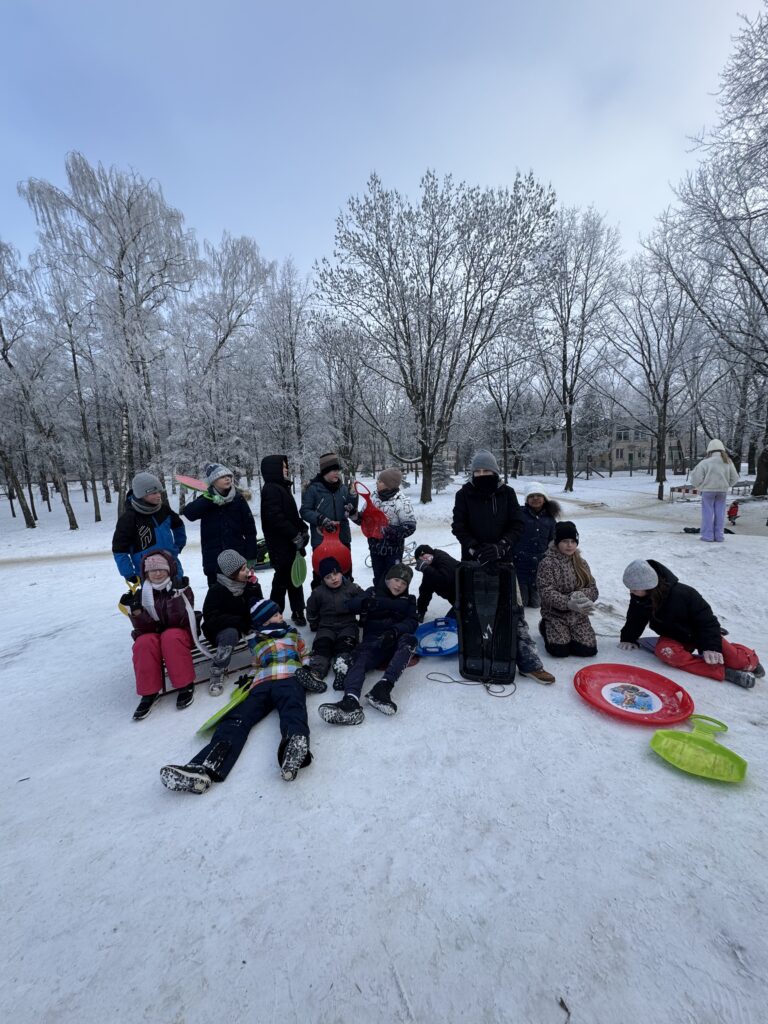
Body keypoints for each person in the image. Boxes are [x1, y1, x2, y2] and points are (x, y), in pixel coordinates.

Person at [159, 599, 312, 793]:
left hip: (290, 678)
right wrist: (248, 680)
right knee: (238, 719)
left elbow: (305, 653)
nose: (281, 616)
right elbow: (257, 665)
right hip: (262, 683)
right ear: (264, 621)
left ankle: (294, 748)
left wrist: (307, 669)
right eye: (275, 615)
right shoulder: (256, 641)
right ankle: (203, 768)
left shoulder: (292, 634)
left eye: (279, 613)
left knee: (293, 709)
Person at [618, 560, 763, 688]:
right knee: (666, 653)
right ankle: (724, 673)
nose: (631, 592)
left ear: (648, 585)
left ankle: (750, 660)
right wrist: (628, 638)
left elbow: (707, 620)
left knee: (738, 661)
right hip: (674, 636)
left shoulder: (684, 593)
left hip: (700, 634)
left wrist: (711, 646)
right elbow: (635, 619)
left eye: (634, 589)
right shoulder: (640, 599)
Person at [318, 564, 418, 725]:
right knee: (360, 660)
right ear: (387, 579)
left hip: (396, 639)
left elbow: (412, 622)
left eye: (404, 583)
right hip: (374, 641)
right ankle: (350, 701)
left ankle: (382, 689)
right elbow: (351, 605)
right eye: (396, 580)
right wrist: (365, 603)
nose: (399, 585)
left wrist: (394, 631)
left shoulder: (409, 600)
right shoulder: (372, 591)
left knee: (410, 641)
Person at [127, 550, 197, 720]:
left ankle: (185, 684)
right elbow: (143, 629)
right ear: (146, 573)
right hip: (155, 635)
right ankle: (149, 692)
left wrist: (175, 598)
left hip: (181, 633)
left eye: (161, 569)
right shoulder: (142, 594)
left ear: (169, 570)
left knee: (170, 636)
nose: (157, 573)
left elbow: (181, 620)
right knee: (143, 642)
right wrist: (137, 612)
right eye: (152, 570)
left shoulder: (181, 588)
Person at [296, 556, 364, 693]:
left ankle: (342, 671)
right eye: (328, 577)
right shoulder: (318, 593)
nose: (333, 578)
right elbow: (311, 609)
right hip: (326, 626)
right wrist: (314, 623)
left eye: (336, 573)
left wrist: (364, 618)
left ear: (341, 572)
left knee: (344, 646)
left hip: (348, 625)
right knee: (322, 646)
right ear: (323, 579)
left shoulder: (351, 588)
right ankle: (315, 674)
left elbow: (364, 602)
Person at [182, 463, 258, 584]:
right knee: (218, 598)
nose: (227, 478)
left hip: (238, 560)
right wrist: (209, 499)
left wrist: (251, 556)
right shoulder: (207, 499)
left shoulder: (238, 499)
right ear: (213, 481)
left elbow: (250, 530)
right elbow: (189, 513)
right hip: (214, 561)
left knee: (240, 597)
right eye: (222, 477)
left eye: (229, 476)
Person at [201, 549, 264, 695]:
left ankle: (266, 656)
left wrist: (254, 590)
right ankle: (218, 668)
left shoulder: (246, 585)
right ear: (231, 574)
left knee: (266, 622)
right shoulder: (217, 590)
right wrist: (238, 621)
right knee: (231, 633)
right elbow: (211, 618)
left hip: (244, 624)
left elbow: (257, 607)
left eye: (246, 567)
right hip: (221, 629)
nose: (247, 571)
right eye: (242, 569)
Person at [259, 454, 309, 626]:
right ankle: (274, 613)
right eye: (283, 467)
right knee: (282, 580)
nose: (286, 469)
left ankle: (296, 611)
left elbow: (291, 515)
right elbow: (275, 517)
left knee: (294, 578)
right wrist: (294, 534)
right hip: (281, 544)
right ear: (273, 470)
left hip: (288, 543)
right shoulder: (272, 489)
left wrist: (303, 528)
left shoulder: (281, 487)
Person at [451, 451, 524, 567]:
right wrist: (474, 548)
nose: (481, 475)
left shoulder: (507, 493)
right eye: (477, 472)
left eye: (486, 471)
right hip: (473, 560)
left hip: (503, 560)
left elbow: (517, 524)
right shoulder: (463, 494)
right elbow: (459, 526)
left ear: (494, 472)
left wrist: (502, 546)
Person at [536, 522, 598, 658]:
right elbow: (545, 591)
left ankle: (572, 633)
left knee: (588, 650)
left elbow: (593, 589)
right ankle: (545, 626)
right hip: (555, 614)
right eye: (565, 541)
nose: (570, 545)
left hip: (579, 616)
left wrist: (580, 595)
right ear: (557, 542)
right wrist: (568, 602)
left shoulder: (582, 563)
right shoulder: (548, 563)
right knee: (560, 651)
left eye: (573, 541)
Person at [112, 471, 186, 584]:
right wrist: (128, 573)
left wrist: (177, 547)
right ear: (142, 495)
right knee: (152, 601)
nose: (158, 495)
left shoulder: (163, 510)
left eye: (159, 492)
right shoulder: (129, 518)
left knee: (178, 598)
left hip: (172, 566)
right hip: (148, 573)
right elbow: (119, 549)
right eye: (153, 493)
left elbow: (178, 526)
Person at [300, 452, 359, 586]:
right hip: (321, 541)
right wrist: (321, 519)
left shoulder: (343, 489)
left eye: (338, 470)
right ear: (325, 471)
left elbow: (350, 511)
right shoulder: (314, 489)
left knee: (345, 574)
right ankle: (320, 604)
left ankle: (346, 604)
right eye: (334, 470)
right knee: (321, 576)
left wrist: (353, 496)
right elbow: (304, 511)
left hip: (342, 539)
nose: (337, 473)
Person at [511, 482, 560, 607]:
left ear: (544, 498)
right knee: (522, 601)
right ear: (527, 499)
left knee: (536, 604)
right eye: (532, 496)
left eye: (539, 495)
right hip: (521, 563)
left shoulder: (550, 518)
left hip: (539, 564)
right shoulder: (519, 514)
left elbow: (553, 540)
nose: (536, 498)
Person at [366, 468, 417, 587]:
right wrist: (353, 514)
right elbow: (364, 521)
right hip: (375, 549)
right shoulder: (373, 498)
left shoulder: (401, 501)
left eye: (380, 481)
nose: (377, 482)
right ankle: (379, 600)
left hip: (393, 552)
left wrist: (390, 531)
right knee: (378, 578)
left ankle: (395, 603)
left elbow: (410, 527)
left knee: (393, 579)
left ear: (389, 485)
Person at [689, 439, 739, 542]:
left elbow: (695, 479)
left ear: (709, 450)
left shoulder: (705, 462)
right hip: (722, 492)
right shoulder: (728, 462)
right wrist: (726, 485)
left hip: (708, 492)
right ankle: (719, 536)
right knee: (720, 513)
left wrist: (700, 485)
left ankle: (707, 536)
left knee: (707, 513)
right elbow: (735, 478)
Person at [413, 544, 459, 621]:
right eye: (421, 559)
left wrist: (426, 568)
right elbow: (425, 591)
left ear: (431, 553)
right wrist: (421, 611)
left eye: (424, 555)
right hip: (456, 599)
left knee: (452, 622)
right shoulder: (430, 568)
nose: (424, 559)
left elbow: (446, 580)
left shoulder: (442, 558)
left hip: (468, 593)